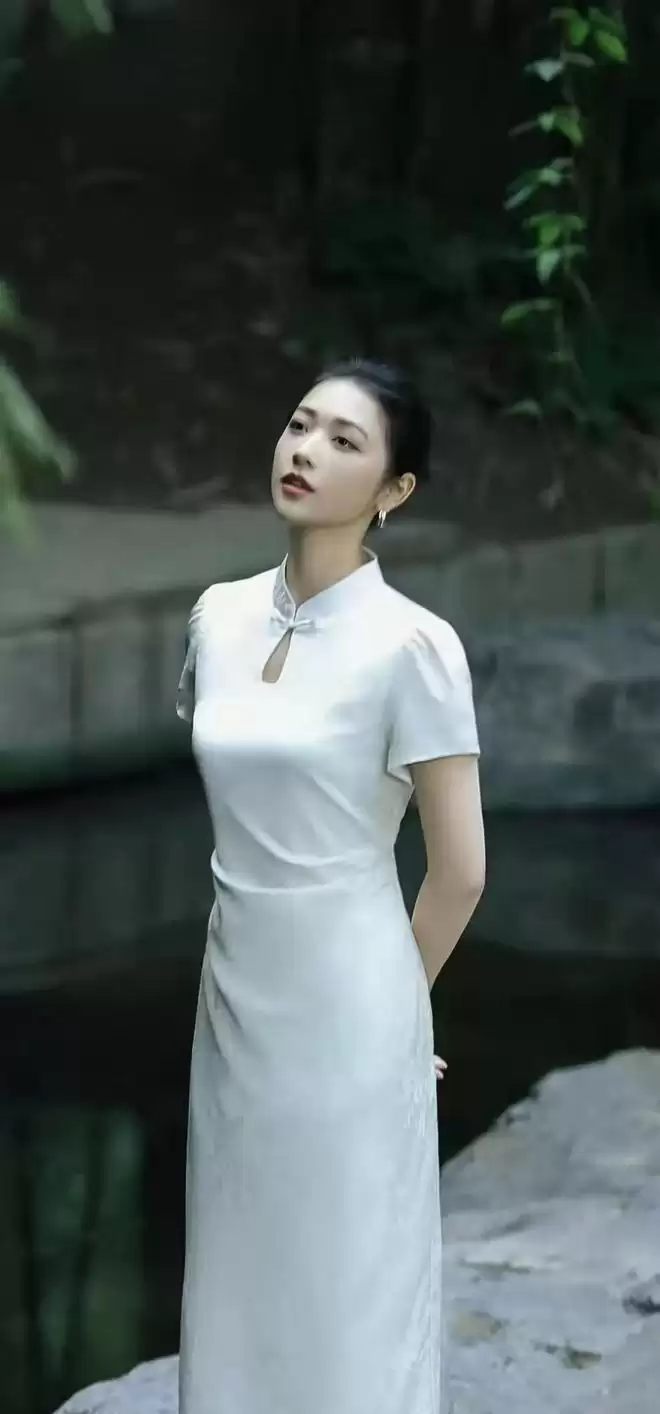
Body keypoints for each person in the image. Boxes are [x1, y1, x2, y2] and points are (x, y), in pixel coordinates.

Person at [176, 358, 485, 1414]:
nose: (305, 450)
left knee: (348, 1280)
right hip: (232, 995)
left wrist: (402, 1009)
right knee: (236, 1267)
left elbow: (460, 870)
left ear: (395, 490)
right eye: (300, 425)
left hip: (353, 998)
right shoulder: (216, 616)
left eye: (345, 441)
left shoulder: (414, 646)